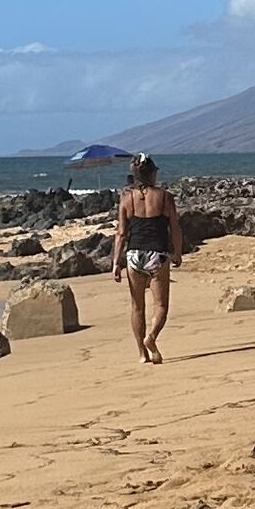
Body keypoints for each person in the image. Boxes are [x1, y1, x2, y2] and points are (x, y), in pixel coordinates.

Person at [111, 152, 177, 363]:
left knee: (137, 306)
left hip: (134, 255)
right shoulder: (165, 197)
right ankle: (151, 337)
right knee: (161, 306)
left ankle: (141, 353)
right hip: (157, 254)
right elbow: (174, 228)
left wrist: (115, 263)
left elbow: (121, 233)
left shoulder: (126, 199)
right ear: (153, 174)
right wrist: (178, 251)